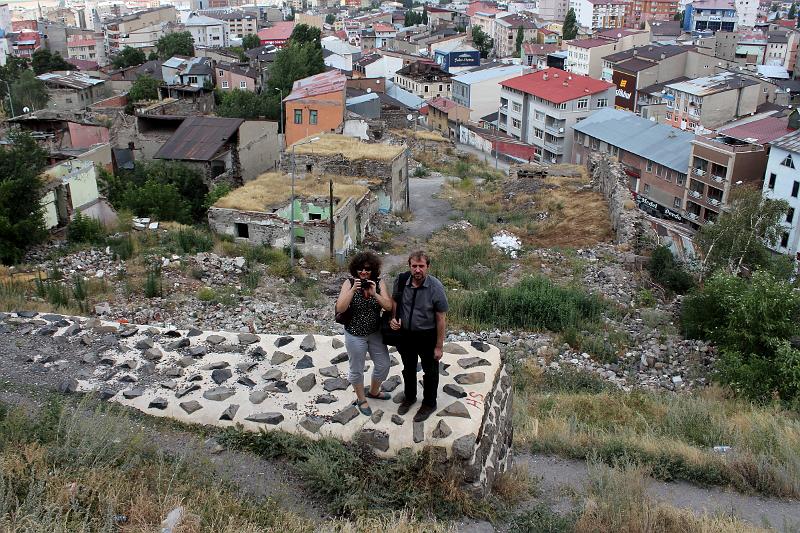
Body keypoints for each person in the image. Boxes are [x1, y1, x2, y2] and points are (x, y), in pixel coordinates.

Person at [389, 250, 449, 422]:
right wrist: (394, 318)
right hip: (406, 335)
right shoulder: (401, 281)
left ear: (427, 267)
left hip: (427, 336)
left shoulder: (435, 287)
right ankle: (410, 397)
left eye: (421, 266)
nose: (417, 270)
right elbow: (395, 301)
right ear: (409, 266)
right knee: (408, 368)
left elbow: (441, 318)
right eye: (414, 266)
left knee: (430, 372)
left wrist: (439, 346)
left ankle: (429, 403)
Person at [335, 251, 394, 416]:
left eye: (367, 269)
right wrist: (353, 289)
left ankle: (374, 392)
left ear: (373, 269)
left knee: (383, 365)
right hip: (354, 333)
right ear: (355, 269)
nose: (363, 272)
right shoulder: (349, 282)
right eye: (360, 268)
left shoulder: (379, 282)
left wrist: (375, 293)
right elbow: (340, 308)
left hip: (375, 333)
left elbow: (388, 307)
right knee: (357, 369)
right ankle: (362, 399)